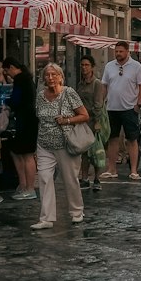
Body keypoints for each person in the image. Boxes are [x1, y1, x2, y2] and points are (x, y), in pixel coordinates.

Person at [31, 62, 90, 230]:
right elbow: (39, 118)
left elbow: (84, 115)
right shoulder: (40, 95)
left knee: (70, 179)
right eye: (47, 75)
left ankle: (76, 212)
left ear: (60, 77)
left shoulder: (69, 93)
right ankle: (46, 218)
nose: (50, 78)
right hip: (44, 143)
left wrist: (67, 120)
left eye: (54, 75)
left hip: (65, 143)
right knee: (44, 178)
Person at [101, 40, 141, 181]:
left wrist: (138, 104)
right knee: (112, 139)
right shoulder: (109, 66)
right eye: (116, 51)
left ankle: (133, 170)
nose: (118, 54)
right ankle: (111, 169)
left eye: (121, 51)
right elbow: (104, 86)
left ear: (128, 52)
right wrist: (101, 103)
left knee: (132, 140)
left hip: (129, 108)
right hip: (112, 108)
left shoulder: (136, 67)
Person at [3, 56, 39, 199]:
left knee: (27, 155)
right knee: (17, 151)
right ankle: (23, 184)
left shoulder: (20, 79)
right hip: (28, 120)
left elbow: (16, 100)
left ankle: (29, 188)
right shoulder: (27, 78)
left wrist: (6, 101)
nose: (7, 75)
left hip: (26, 120)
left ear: (12, 67)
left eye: (7, 71)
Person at [75, 55, 108, 189]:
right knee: (84, 152)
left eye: (87, 65)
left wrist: (97, 123)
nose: (84, 67)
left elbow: (98, 104)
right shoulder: (80, 84)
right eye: (82, 65)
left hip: (93, 121)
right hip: (82, 121)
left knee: (96, 151)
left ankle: (97, 179)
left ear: (92, 67)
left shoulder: (97, 84)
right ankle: (84, 178)